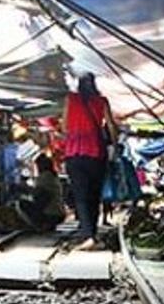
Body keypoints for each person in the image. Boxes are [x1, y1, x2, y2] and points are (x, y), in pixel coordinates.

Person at [63, 72, 117, 250]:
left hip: (74, 153)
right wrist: (114, 147)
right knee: (94, 195)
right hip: (96, 153)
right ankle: (91, 233)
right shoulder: (102, 101)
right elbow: (111, 127)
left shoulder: (70, 99)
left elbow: (64, 126)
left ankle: (88, 235)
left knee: (81, 194)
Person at [16, 154, 65, 232]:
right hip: (59, 214)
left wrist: (24, 187)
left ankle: (40, 225)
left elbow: (37, 194)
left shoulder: (44, 176)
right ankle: (46, 225)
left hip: (50, 214)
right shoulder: (53, 176)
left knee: (22, 204)